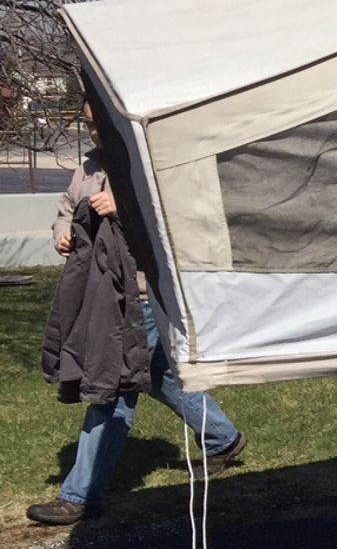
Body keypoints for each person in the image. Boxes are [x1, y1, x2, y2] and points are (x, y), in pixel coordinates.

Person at [26, 106, 247, 526]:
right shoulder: (88, 167)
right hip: (104, 294)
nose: (94, 130)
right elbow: (63, 209)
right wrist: (63, 232)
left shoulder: (148, 163)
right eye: (88, 123)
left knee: (111, 389)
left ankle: (79, 495)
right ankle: (223, 440)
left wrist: (125, 205)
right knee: (161, 376)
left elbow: (179, 219)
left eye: (100, 121)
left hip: (142, 296)